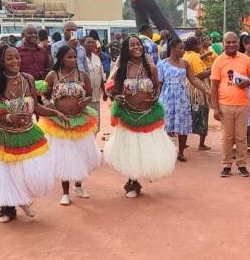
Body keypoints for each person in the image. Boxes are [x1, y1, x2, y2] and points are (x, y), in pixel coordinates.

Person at [0, 45, 64, 223]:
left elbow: (36, 107)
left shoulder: (28, 80)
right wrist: (7, 117)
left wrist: (55, 113)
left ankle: (21, 198)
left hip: (27, 133)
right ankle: (7, 207)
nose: (15, 61)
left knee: (27, 172)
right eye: (9, 58)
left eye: (17, 57)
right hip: (4, 135)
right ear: (1, 62)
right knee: (6, 173)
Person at [104, 35, 176, 198]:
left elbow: (157, 88)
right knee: (131, 148)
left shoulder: (151, 67)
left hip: (148, 114)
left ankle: (143, 173)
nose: (137, 47)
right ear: (125, 49)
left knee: (148, 148)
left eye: (138, 44)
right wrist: (116, 97)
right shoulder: (122, 68)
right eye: (132, 45)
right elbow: (109, 87)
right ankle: (132, 181)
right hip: (128, 113)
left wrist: (155, 97)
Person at [39, 45, 100, 205]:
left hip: (80, 119)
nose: (73, 60)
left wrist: (85, 101)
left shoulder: (82, 75)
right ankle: (65, 192)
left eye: (74, 57)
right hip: (60, 122)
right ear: (61, 58)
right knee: (65, 156)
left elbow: (90, 95)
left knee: (81, 154)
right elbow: (43, 95)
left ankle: (79, 185)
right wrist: (49, 104)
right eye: (69, 57)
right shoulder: (53, 75)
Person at [212, 32, 250, 178]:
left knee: (241, 137)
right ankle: (226, 165)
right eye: (228, 42)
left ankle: (242, 165)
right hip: (225, 105)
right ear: (223, 43)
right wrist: (216, 108)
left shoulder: (245, 59)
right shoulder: (218, 61)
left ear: (238, 43)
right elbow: (214, 86)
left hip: (243, 104)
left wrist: (248, 82)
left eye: (233, 42)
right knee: (227, 137)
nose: (231, 45)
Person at [158, 36, 209, 162]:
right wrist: (155, 99)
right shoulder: (162, 64)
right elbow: (159, 83)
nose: (183, 51)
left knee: (182, 125)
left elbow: (193, 80)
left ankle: (180, 152)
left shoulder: (185, 64)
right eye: (180, 48)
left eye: (183, 49)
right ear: (172, 48)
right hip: (167, 97)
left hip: (182, 98)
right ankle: (164, 152)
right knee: (165, 125)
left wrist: (206, 90)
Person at [183, 35, 212, 151]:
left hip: (188, 87)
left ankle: (183, 141)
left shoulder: (186, 55)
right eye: (199, 44)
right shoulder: (194, 57)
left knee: (189, 114)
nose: (200, 46)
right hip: (197, 89)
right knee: (203, 113)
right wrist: (213, 69)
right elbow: (199, 75)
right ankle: (201, 144)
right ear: (194, 46)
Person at [81, 36, 106, 133]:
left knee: (96, 122)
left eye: (93, 42)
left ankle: (94, 144)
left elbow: (101, 75)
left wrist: (104, 92)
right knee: (86, 122)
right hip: (85, 97)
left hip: (96, 96)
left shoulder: (97, 58)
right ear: (83, 44)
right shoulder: (80, 59)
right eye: (88, 42)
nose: (91, 44)